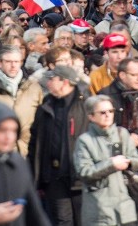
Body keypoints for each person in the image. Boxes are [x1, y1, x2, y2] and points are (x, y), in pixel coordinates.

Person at [28, 65, 89, 225]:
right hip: (54, 176)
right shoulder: (46, 105)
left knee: (84, 220)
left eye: (52, 79)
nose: (48, 83)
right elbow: (35, 140)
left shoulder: (85, 105)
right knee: (62, 220)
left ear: (65, 82)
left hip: (80, 176)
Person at [74, 94, 138, 226]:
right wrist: (111, 164)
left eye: (111, 111)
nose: (108, 115)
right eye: (102, 112)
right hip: (99, 210)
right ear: (91, 116)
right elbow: (84, 172)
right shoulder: (85, 140)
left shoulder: (122, 134)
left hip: (125, 208)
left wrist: (128, 162)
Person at [0, 45, 44, 156]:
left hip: (30, 152)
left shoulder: (34, 88)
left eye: (17, 61)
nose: (13, 66)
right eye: (8, 62)